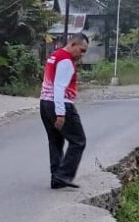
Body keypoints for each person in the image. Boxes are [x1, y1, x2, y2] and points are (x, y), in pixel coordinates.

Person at [40, 34, 89, 189]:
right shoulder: (66, 61)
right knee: (78, 140)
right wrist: (60, 113)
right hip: (60, 104)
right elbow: (59, 87)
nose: (82, 55)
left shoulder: (54, 56)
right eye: (81, 50)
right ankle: (63, 175)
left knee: (55, 141)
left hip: (45, 103)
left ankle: (56, 177)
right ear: (73, 44)